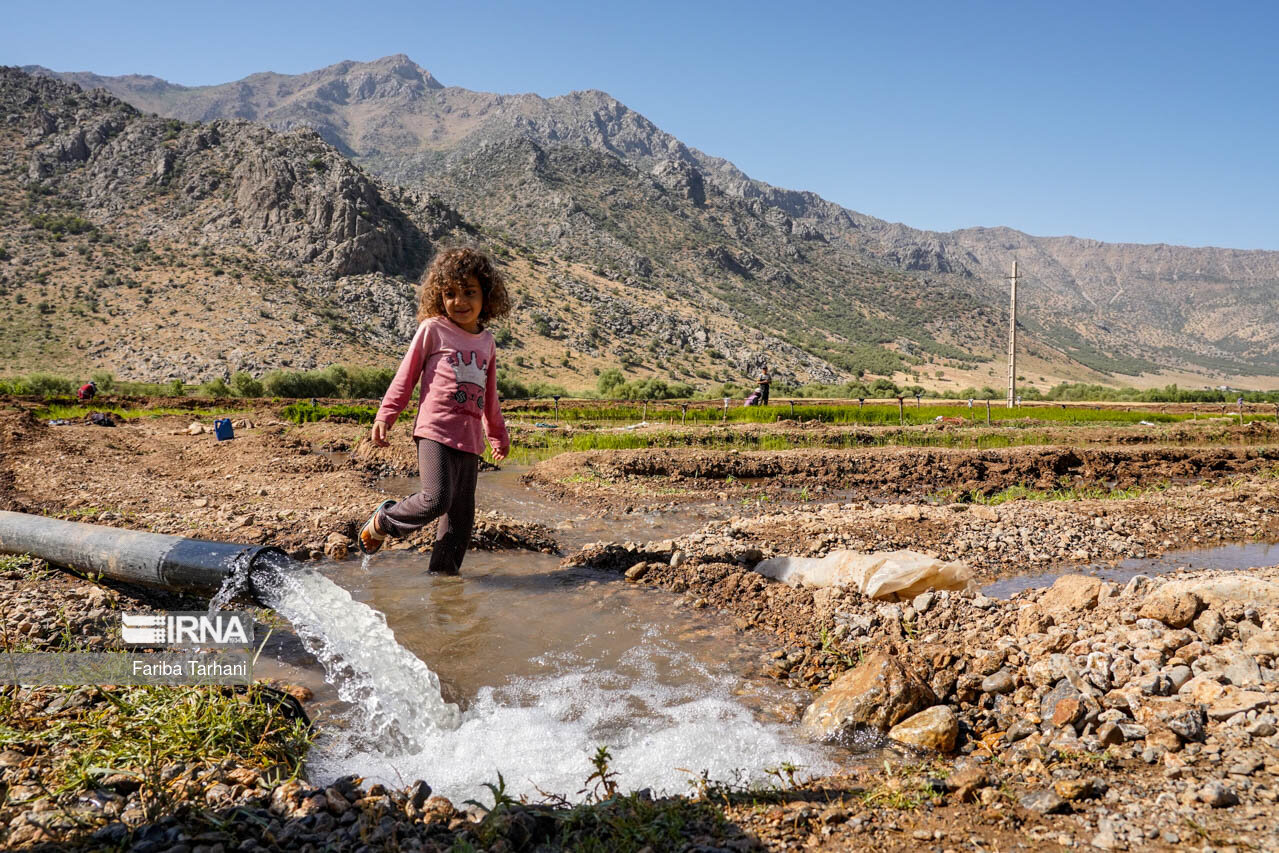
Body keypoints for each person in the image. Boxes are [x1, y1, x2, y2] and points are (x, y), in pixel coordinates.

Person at [357, 247, 512, 572]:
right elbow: (407, 375)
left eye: (469, 292)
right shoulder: (433, 329)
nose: (460, 301)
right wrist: (387, 413)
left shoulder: (487, 342)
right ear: (438, 295)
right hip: (434, 431)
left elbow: (490, 396)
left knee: (461, 519)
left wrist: (497, 434)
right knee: (437, 498)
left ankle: (443, 583)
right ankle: (385, 520)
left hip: (470, 440)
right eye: (450, 293)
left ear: (487, 295)